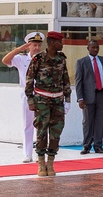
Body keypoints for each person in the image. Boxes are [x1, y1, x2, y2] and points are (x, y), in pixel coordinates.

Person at [25, 31, 71, 178]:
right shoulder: (38, 59)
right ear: (52, 43)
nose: (62, 44)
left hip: (58, 100)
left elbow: (65, 79)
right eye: (59, 42)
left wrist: (68, 99)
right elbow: (29, 80)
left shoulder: (61, 59)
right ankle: (40, 163)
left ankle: (50, 163)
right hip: (42, 100)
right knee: (42, 131)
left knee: (56, 132)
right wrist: (30, 100)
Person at [2, 31, 44, 163]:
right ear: (29, 45)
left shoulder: (45, 59)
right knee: (28, 124)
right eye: (34, 45)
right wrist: (19, 49)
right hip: (27, 95)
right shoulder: (22, 58)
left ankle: (40, 153)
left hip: (42, 95)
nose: (37, 47)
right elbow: (5, 60)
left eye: (39, 45)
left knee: (42, 125)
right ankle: (27, 154)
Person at [74, 39, 103, 155]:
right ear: (88, 48)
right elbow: (78, 82)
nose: (95, 49)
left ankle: (98, 146)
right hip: (88, 97)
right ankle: (86, 146)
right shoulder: (81, 62)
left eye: (97, 47)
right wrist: (80, 98)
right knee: (87, 122)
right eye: (93, 47)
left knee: (100, 121)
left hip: (102, 94)